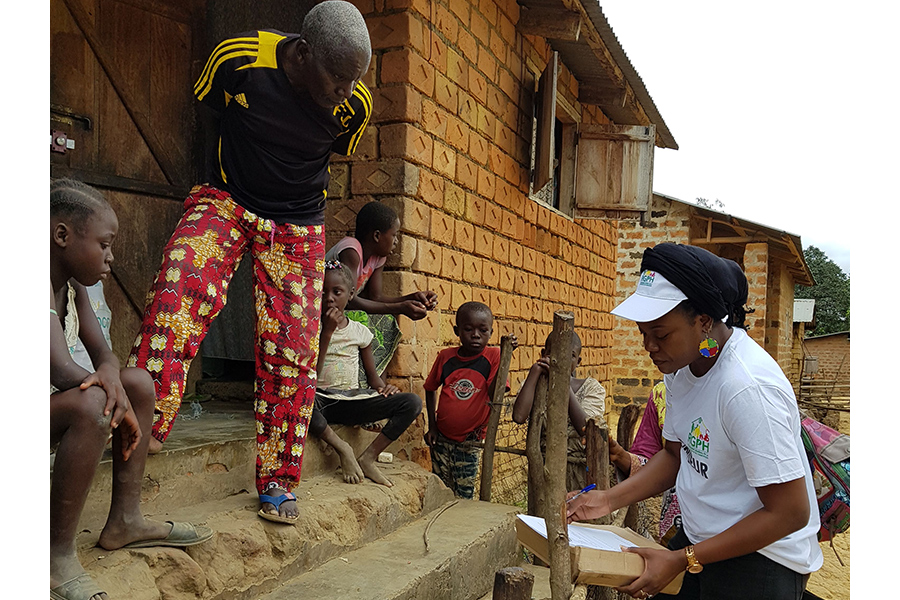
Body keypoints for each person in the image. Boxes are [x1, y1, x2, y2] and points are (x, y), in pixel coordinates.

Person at [126, 0, 373, 523]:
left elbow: (331, 150)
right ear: (303, 53)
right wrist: (227, 177)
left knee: (293, 348)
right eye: (338, 78)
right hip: (228, 199)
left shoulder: (354, 106)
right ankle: (145, 422)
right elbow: (207, 112)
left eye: (354, 80)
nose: (346, 91)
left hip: (298, 222)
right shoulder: (238, 59)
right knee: (178, 288)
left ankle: (278, 480)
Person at [566, 243, 823, 600]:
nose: (649, 346)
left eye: (660, 335)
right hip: (703, 542)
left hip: (762, 560)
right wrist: (607, 500)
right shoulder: (681, 370)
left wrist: (682, 559)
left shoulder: (746, 388)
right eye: (643, 333)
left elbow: (790, 512)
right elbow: (675, 456)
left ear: (703, 321)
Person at [51, 179, 212, 600]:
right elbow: (61, 369)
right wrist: (111, 396)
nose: (111, 257)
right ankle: (55, 556)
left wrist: (115, 384)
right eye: (104, 245)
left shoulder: (74, 285)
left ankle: (125, 520)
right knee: (94, 403)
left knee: (137, 381)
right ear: (62, 236)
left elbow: (103, 353)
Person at [302, 261, 422, 494]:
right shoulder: (309, 329)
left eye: (337, 292)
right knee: (299, 398)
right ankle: (342, 448)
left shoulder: (359, 331)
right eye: (322, 292)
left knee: (412, 403)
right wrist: (327, 332)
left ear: (350, 295)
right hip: (320, 401)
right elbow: (311, 375)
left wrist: (385, 389)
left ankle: (368, 457)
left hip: (352, 401)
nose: (329, 298)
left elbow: (373, 379)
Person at [423, 301, 517, 499]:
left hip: (470, 441)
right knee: (439, 489)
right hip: (441, 437)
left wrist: (505, 358)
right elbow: (430, 388)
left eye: (483, 330)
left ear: (490, 333)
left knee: (463, 494)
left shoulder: (494, 355)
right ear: (457, 331)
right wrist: (432, 426)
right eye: (468, 329)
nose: (476, 335)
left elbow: (495, 394)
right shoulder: (446, 357)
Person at [512, 330, 607, 491]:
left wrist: (562, 383)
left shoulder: (591, 388)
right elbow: (519, 416)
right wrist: (535, 372)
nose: (562, 359)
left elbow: (585, 428)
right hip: (542, 467)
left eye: (570, 355)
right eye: (555, 352)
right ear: (544, 354)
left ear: (578, 361)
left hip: (579, 469)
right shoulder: (536, 385)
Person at [325, 200, 438, 320]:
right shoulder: (351, 250)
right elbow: (350, 300)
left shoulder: (378, 257)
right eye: (394, 235)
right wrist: (399, 308)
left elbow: (375, 298)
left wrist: (413, 298)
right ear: (377, 236)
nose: (396, 241)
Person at [608, 381, 682, 544]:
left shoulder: (732, 392)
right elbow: (657, 461)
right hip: (676, 531)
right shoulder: (663, 393)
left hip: (726, 530)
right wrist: (621, 457)